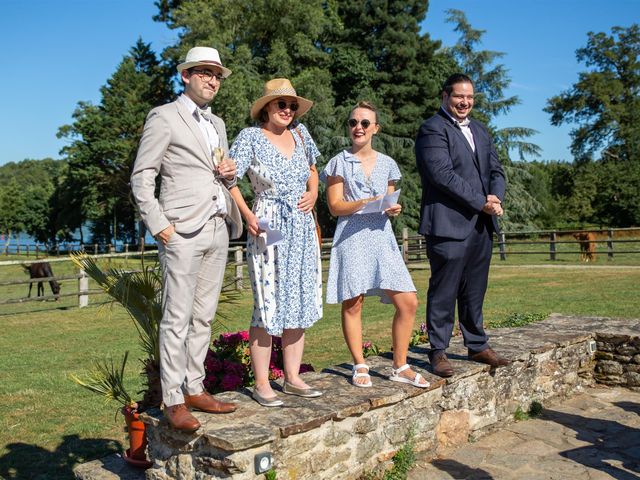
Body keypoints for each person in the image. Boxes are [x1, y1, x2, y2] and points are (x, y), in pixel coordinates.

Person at [131, 46, 243, 432]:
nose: (213, 80)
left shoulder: (219, 124)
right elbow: (142, 176)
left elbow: (220, 176)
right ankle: (173, 399)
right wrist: (159, 224)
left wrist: (230, 173)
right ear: (185, 76)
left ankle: (195, 387)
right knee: (176, 318)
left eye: (217, 75)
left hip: (217, 226)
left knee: (204, 316)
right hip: (180, 229)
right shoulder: (164, 117)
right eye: (205, 73)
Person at [228, 78, 323, 407]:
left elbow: (313, 169)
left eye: (292, 105)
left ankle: (293, 377)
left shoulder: (301, 134)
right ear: (266, 107)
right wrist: (248, 215)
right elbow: (229, 179)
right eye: (281, 104)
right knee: (267, 302)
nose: (287, 110)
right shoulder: (250, 137)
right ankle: (263, 383)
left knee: (298, 296)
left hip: (301, 223)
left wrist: (313, 192)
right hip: (267, 220)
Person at [321, 101, 428, 389]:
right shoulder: (338, 162)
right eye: (353, 122)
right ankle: (359, 363)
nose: (358, 127)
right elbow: (334, 206)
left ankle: (400, 365)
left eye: (365, 123)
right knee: (354, 302)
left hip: (382, 239)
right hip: (352, 239)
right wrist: (364, 203)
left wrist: (393, 209)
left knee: (408, 301)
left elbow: (389, 201)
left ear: (375, 128)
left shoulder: (389, 164)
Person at [415, 73, 510, 378]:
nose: (465, 102)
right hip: (447, 224)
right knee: (444, 289)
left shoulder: (480, 130)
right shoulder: (432, 129)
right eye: (459, 96)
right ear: (445, 96)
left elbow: (496, 168)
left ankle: (477, 344)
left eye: (470, 97)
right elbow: (442, 175)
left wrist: (496, 197)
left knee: (474, 289)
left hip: (481, 224)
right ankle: (438, 350)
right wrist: (482, 201)